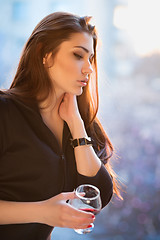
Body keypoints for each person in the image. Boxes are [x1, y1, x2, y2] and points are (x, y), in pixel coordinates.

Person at [0, 12, 122, 240]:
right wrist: (42, 212)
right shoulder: (5, 112)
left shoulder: (79, 126)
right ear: (45, 55)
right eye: (78, 55)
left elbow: (99, 196)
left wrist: (76, 124)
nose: (89, 68)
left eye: (91, 59)